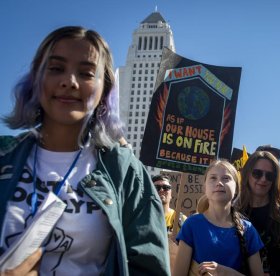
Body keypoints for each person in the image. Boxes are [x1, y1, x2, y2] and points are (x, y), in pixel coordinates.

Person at [0, 26, 169, 275]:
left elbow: (149, 267)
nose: (69, 82)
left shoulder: (125, 171)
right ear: (37, 78)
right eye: (56, 69)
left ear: (105, 90)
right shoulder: (4, 156)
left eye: (86, 73)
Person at [173, 160, 264, 276]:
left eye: (226, 178)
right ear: (205, 187)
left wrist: (225, 272)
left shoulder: (248, 230)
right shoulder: (191, 224)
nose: (219, 183)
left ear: (236, 189)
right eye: (213, 178)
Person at [237, 151, 280, 276]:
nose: (263, 179)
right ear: (247, 174)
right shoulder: (233, 212)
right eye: (257, 173)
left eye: (270, 176)